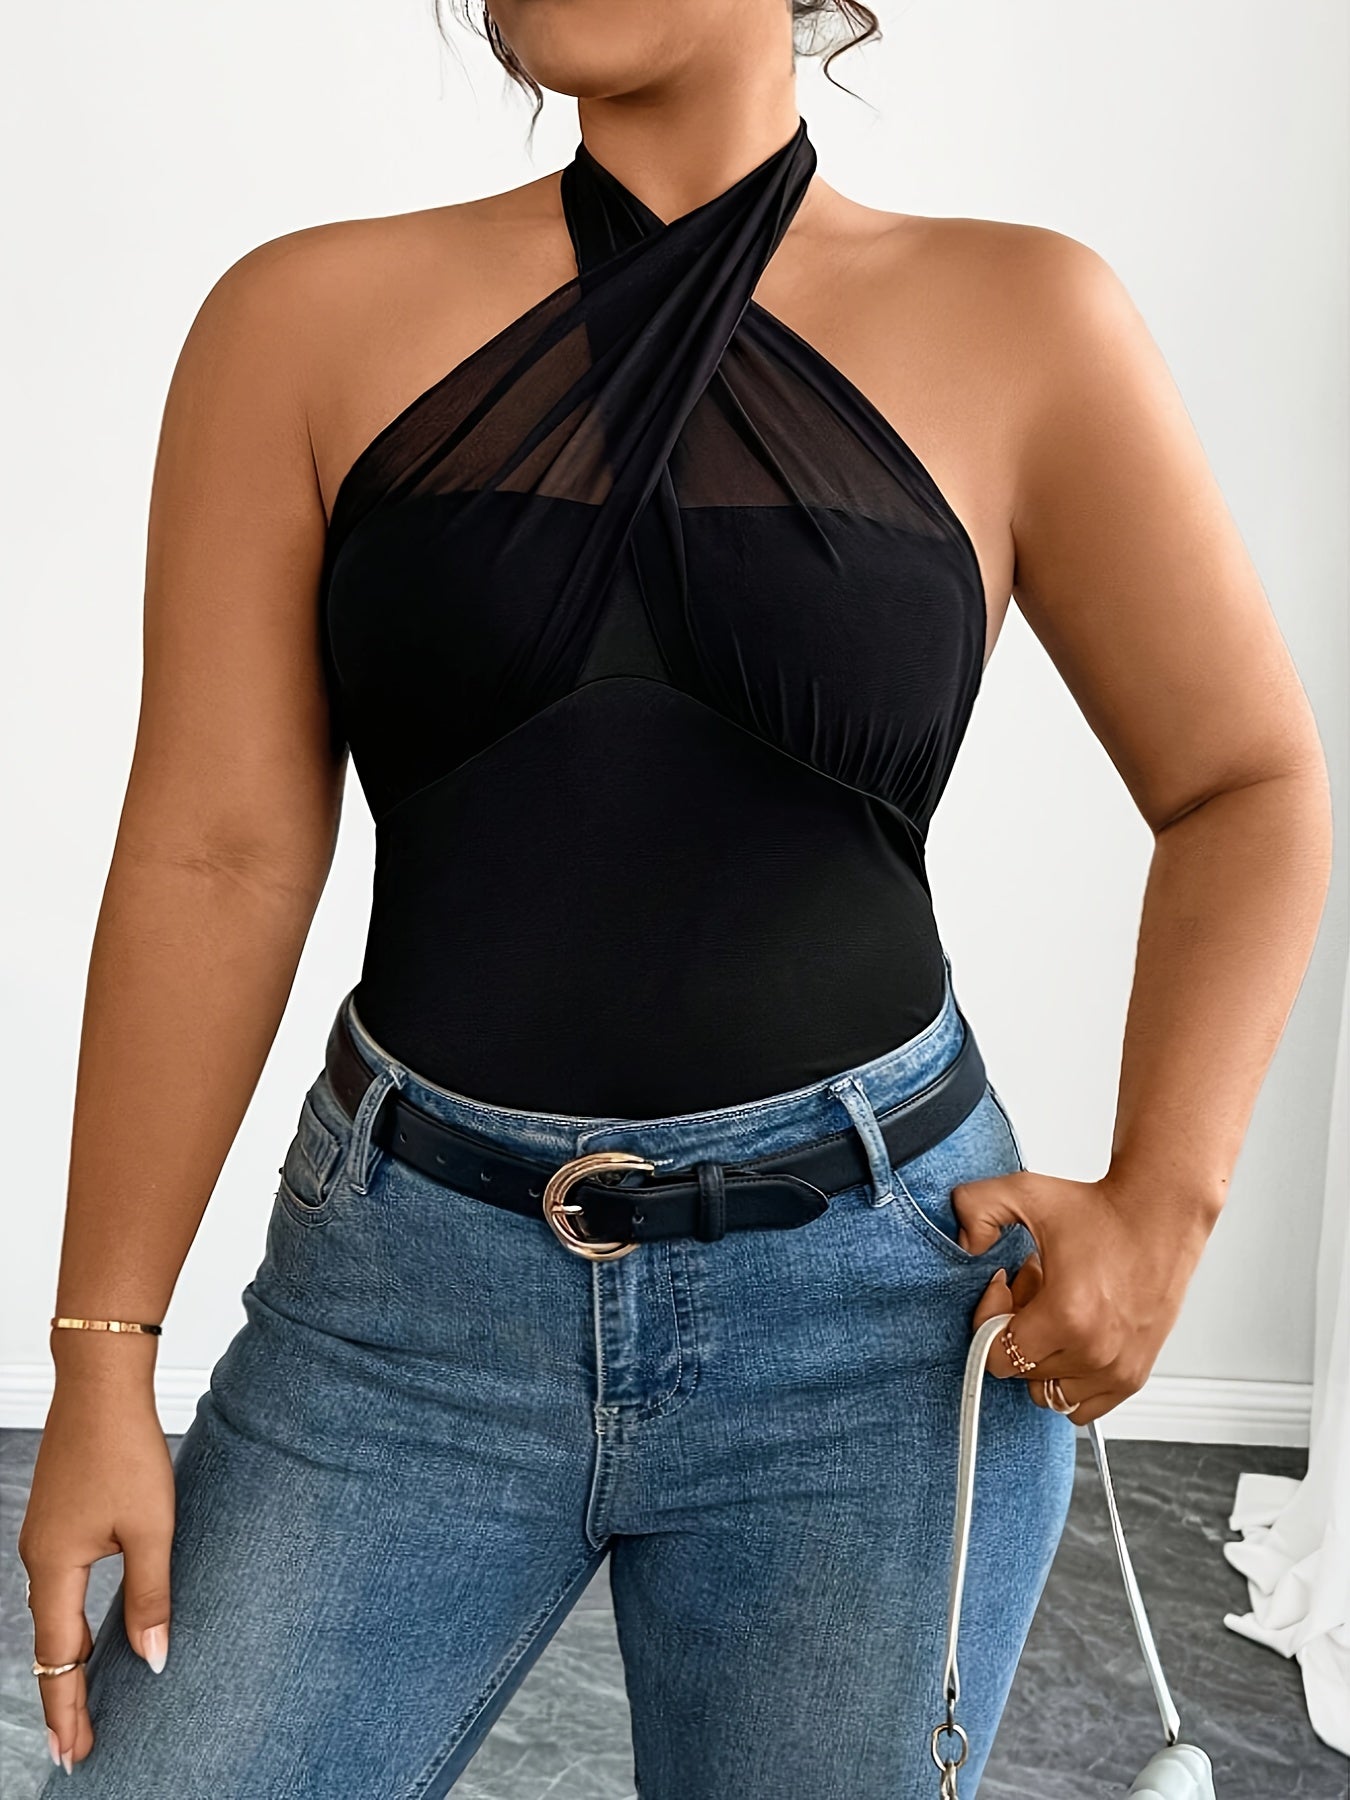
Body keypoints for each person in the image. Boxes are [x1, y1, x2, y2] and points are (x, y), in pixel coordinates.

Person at [18, 1, 1332, 1795]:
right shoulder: (297, 318)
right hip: (403, 1307)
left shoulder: (1027, 317)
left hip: (874, 1319)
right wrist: (102, 1353)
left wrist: (1166, 1204)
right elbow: (213, 851)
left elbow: (1242, 781)